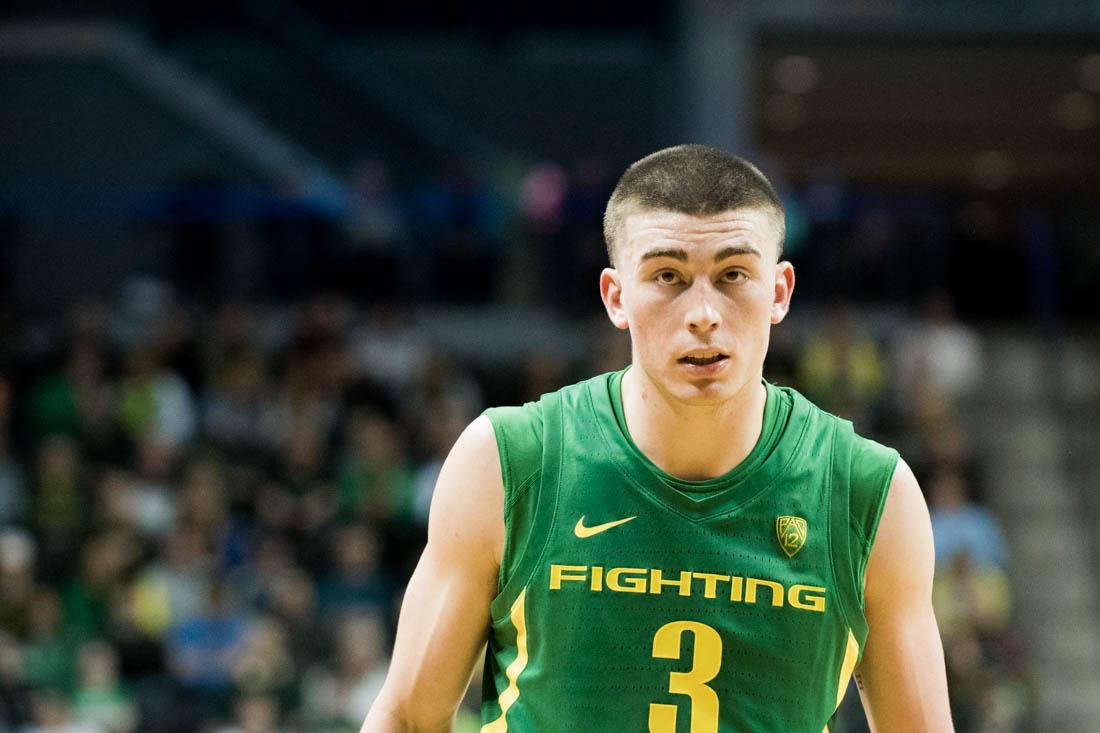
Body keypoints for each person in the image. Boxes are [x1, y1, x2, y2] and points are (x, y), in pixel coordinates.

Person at [361, 145, 953, 732]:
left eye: (733, 275)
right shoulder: (509, 460)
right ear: (616, 297)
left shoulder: (869, 492)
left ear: (779, 292)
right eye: (667, 275)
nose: (703, 313)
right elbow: (408, 718)